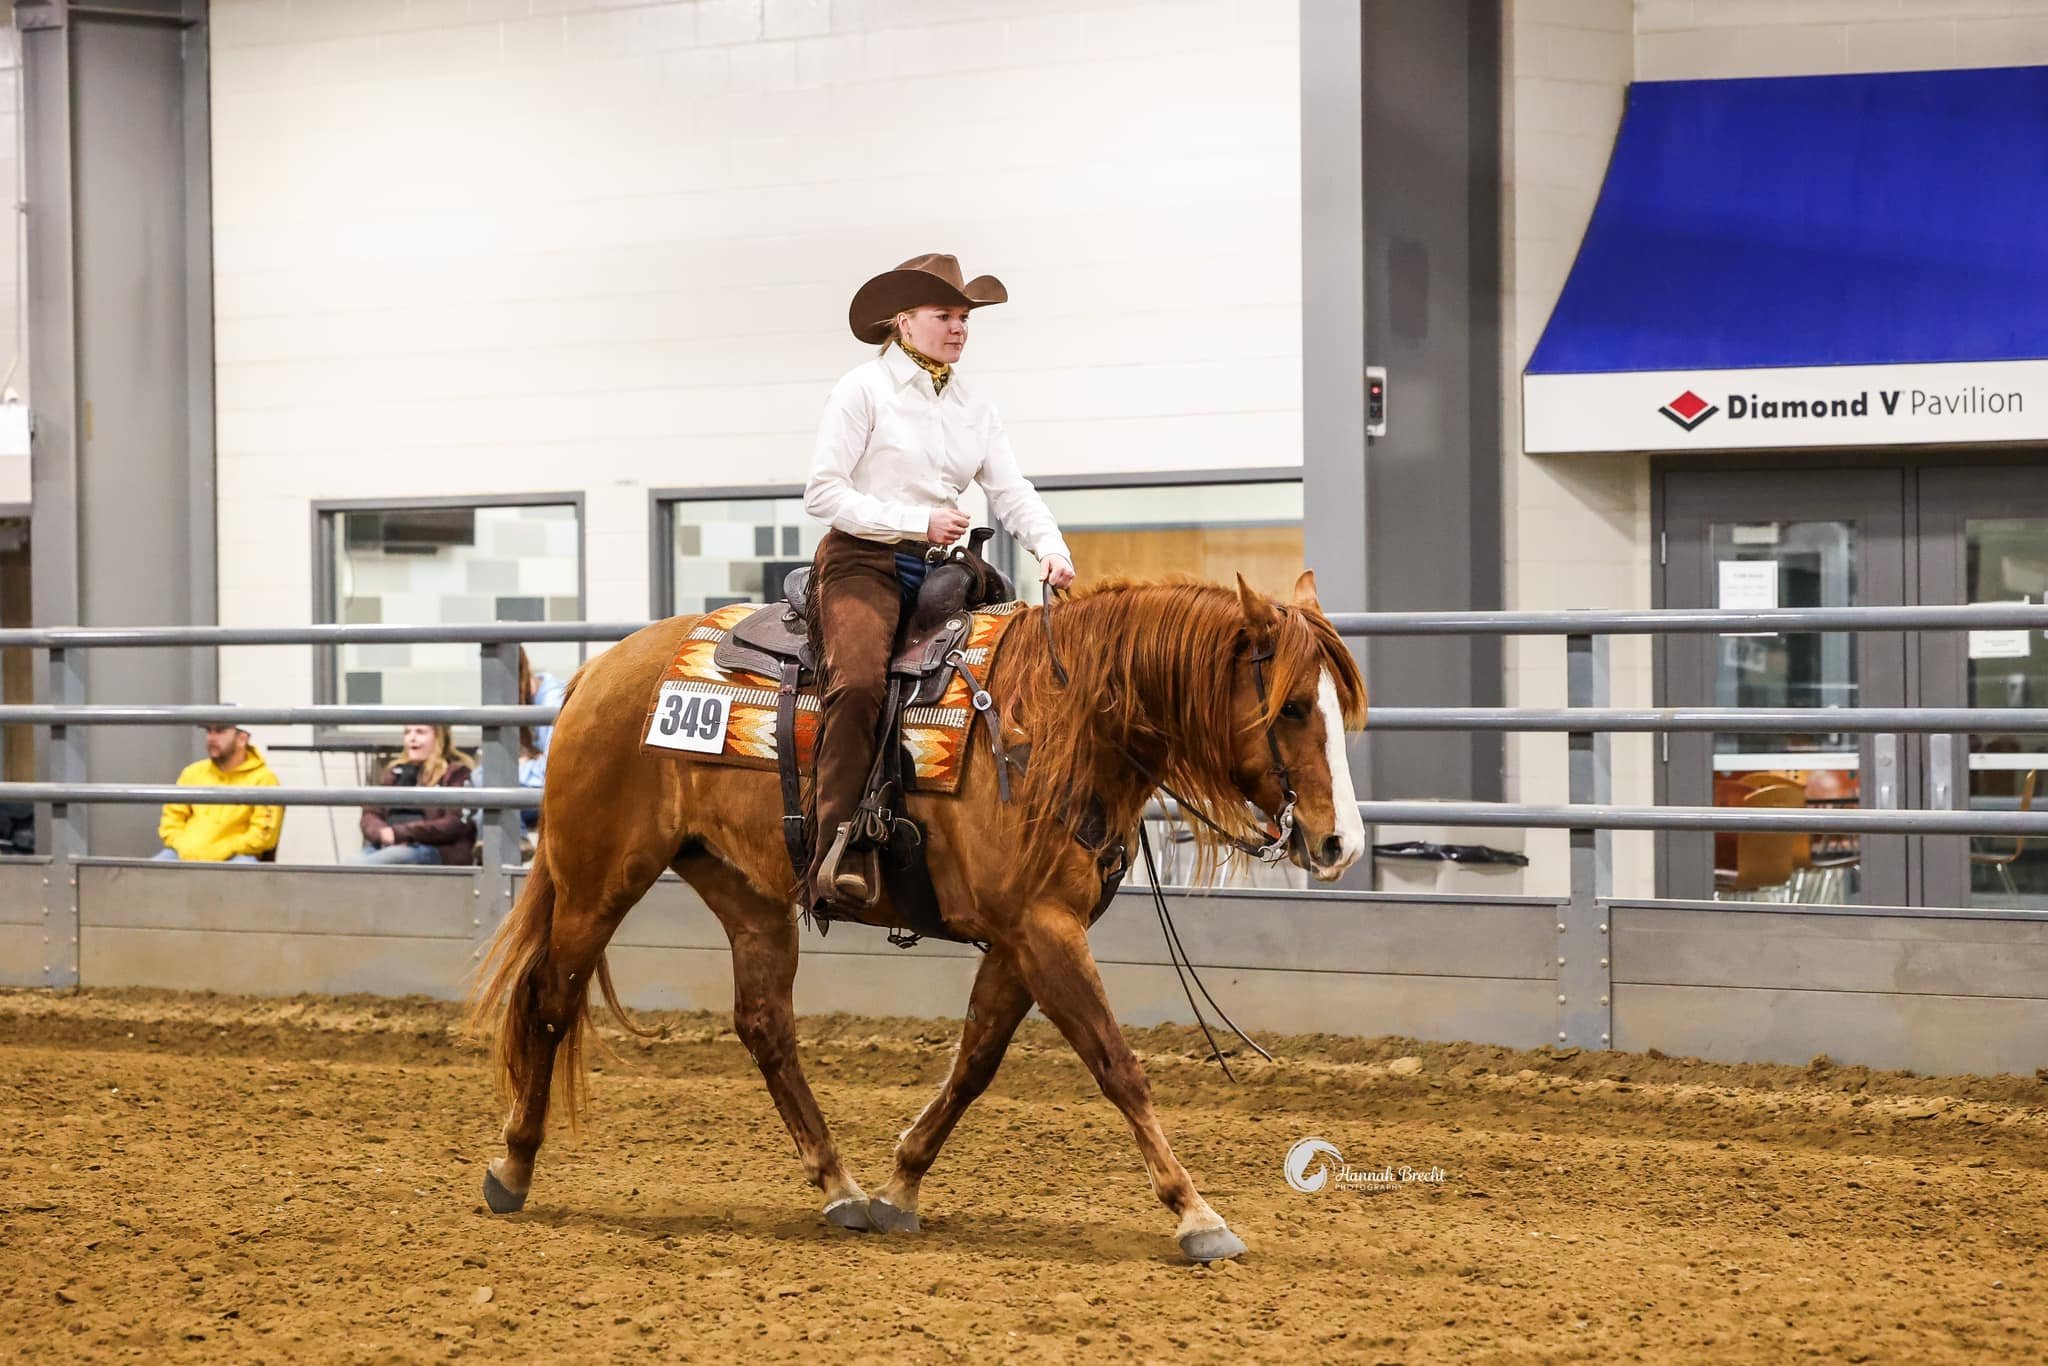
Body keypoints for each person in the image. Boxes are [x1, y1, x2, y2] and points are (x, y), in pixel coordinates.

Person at [802, 252, 1077, 909]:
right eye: (944, 315)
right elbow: (822, 493)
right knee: (861, 682)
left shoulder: (974, 404)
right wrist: (912, 520)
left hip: (939, 567)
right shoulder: (860, 391)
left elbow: (1010, 489)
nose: (958, 328)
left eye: (963, 318)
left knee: (1018, 668)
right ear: (903, 323)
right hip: (862, 560)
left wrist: (1050, 546)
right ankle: (836, 845)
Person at [155, 718, 283, 862]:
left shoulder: (264, 779)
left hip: (235, 856)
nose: (211, 738)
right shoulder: (192, 773)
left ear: (242, 739)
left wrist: (223, 850)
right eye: (209, 731)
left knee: (244, 867)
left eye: (220, 731)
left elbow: (263, 834)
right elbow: (171, 819)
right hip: (183, 853)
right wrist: (183, 846)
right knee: (145, 873)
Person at [355, 723, 477, 865]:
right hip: (390, 845)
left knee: (384, 860)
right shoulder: (395, 772)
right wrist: (382, 833)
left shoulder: (457, 773)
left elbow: (454, 823)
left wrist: (400, 833)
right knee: (350, 865)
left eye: (420, 732)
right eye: (407, 732)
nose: (412, 738)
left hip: (435, 848)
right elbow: (371, 813)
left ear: (439, 737)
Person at [517, 647, 568, 835]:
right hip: (535, 789)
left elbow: (553, 768)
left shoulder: (552, 701)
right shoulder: (527, 699)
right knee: (482, 778)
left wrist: (517, 767)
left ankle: (506, 847)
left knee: (488, 781)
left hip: (560, 793)